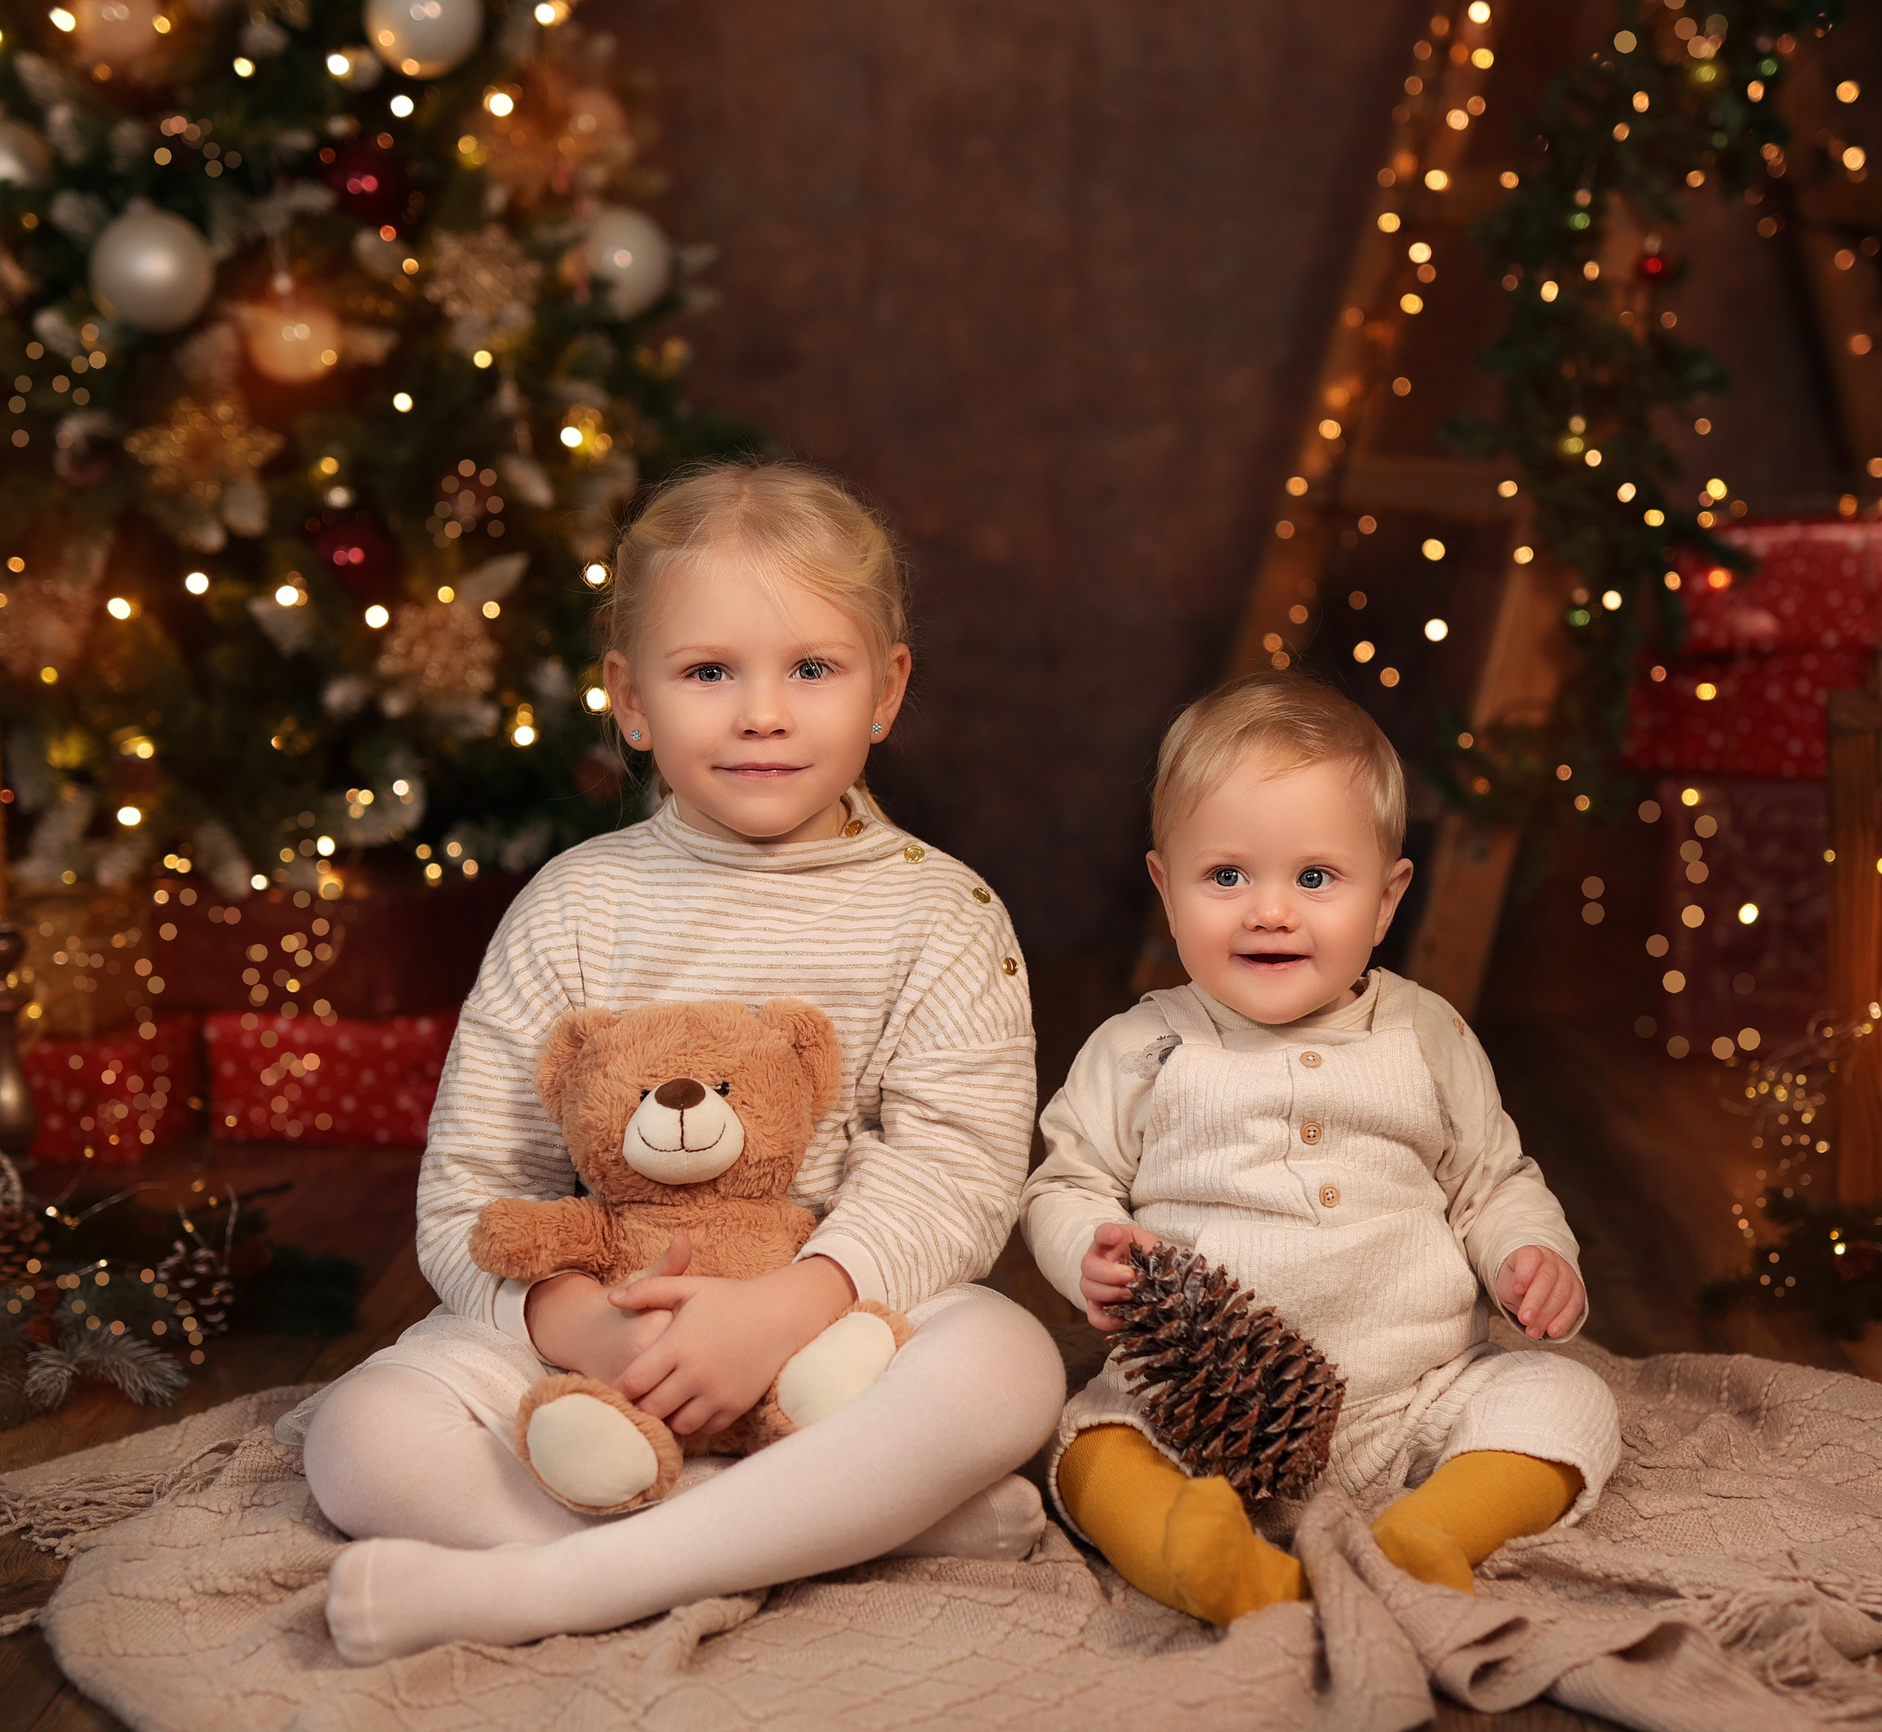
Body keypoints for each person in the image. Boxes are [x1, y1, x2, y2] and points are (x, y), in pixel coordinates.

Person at [301, 460, 1065, 1662]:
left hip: (826, 1327)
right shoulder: (575, 907)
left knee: (1008, 1367)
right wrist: (586, 1331)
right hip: (600, 1334)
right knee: (358, 1438)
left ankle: (552, 1586)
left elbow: (956, 1173)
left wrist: (783, 1310)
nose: (762, 713)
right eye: (709, 672)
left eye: (812, 669)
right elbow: (468, 1186)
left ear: (886, 690)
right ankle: (829, 1529)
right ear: (632, 701)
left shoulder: (942, 914)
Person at [1022, 670, 1621, 1627]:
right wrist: (1088, 1244)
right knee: (1088, 1444)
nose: (1270, 911)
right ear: (1164, 888)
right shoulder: (1140, 1048)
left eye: (1314, 878)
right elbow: (1065, 1181)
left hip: (1414, 1398)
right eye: (1226, 876)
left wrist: (1529, 1257)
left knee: (1564, 1399)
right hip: (1194, 1402)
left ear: (1386, 902)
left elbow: (1489, 1182)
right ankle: (1201, 1557)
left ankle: (1430, 1536)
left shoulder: (1424, 1036)